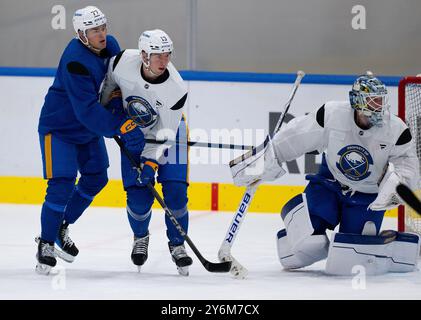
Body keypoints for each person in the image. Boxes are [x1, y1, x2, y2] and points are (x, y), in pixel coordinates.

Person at [231, 72, 420, 275]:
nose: (377, 107)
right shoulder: (332, 114)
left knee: (350, 257)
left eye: (380, 101)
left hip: (367, 195)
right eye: (372, 101)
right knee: (306, 241)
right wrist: (264, 161)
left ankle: (386, 246)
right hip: (330, 183)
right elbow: (296, 137)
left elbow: (407, 165)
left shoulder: (397, 129)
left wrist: (397, 183)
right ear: (357, 101)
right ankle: (297, 238)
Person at [36, 6, 144, 274]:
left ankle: (62, 224)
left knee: (96, 178)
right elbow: (87, 109)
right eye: (95, 30)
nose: (102, 34)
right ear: (81, 34)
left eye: (103, 27)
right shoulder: (75, 60)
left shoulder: (112, 46)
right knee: (61, 184)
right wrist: (120, 126)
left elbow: (117, 84)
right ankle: (46, 243)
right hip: (59, 129)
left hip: (87, 129)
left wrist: (120, 111)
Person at [100, 29, 192, 276]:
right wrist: (112, 108)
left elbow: (165, 135)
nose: (164, 61)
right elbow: (107, 90)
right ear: (143, 55)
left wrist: (150, 163)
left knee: (176, 194)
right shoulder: (121, 63)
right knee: (138, 199)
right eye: (158, 55)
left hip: (170, 134)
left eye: (167, 55)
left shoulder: (176, 89)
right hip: (134, 133)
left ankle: (178, 244)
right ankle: (140, 237)